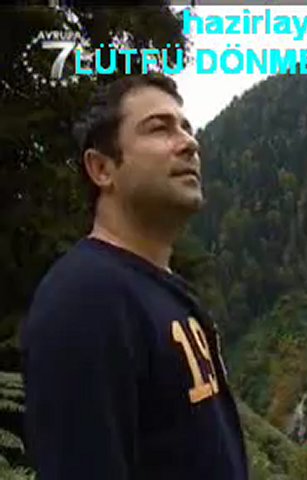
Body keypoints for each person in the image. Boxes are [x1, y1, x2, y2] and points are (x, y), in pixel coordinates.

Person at [20, 73, 249, 479]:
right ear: (102, 168)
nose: (189, 143)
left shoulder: (158, 289)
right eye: (159, 128)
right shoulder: (85, 299)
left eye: (187, 128)